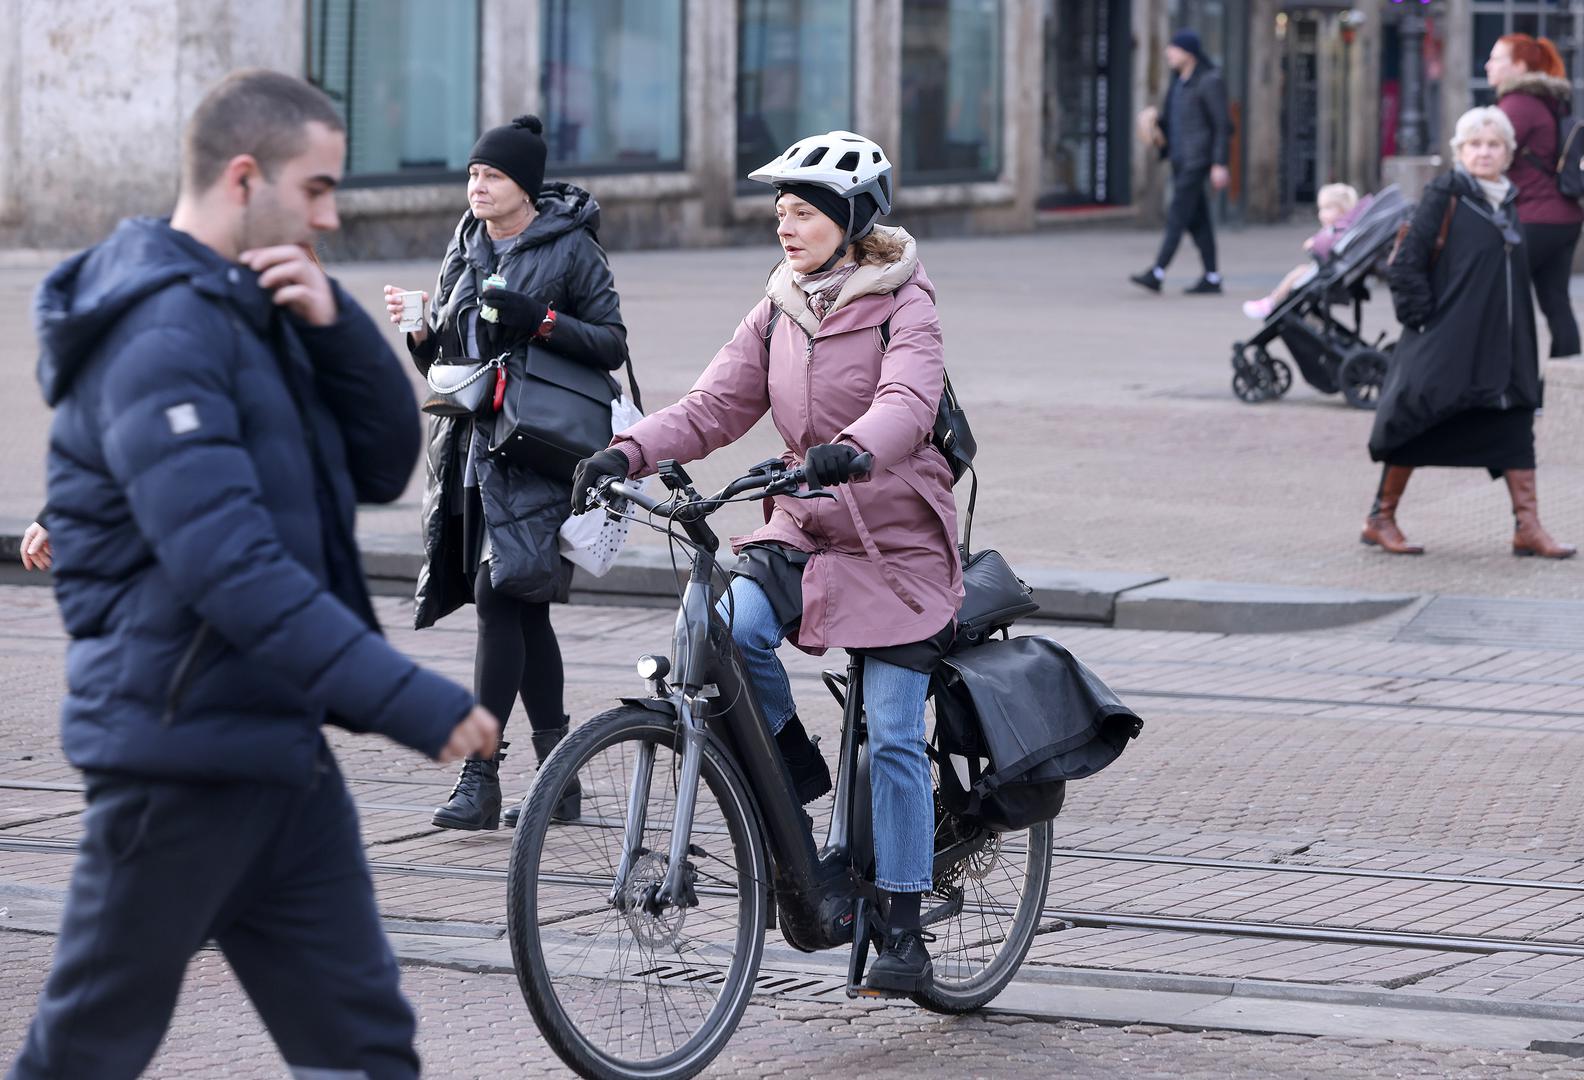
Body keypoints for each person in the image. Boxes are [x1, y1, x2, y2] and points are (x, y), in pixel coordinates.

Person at [9, 70, 500, 1080]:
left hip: (279, 758)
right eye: (315, 189)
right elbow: (230, 567)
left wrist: (337, 323)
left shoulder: (253, 308)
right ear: (244, 178)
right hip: (178, 763)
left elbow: (379, 467)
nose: (329, 216)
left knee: (366, 1051)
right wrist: (409, 700)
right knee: (84, 1054)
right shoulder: (159, 334)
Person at [571, 130, 960, 995]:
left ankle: (902, 926)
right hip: (806, 524)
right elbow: (715, 403)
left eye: (804, 213)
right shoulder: (780, 305)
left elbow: (907, 400)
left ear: (852, 220)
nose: (786, 227)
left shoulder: (905, 303)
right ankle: (789, 765)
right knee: (729, 628)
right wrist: (625, 453)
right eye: (780, 212)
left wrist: (853, 447)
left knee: (894, 729)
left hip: (895, 539)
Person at [386, 115, 630, 831]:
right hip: (473, 449)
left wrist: (540, 319)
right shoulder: (465, 242)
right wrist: (421, 334)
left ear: (524, 186)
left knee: (500, 598)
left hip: (540, 447)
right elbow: (446, 365)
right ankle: (562, 780)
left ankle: (480, 778)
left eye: (491, 175)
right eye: (472, 174)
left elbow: (611, 343)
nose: (478, 187)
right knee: (523, 606)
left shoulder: (571, 247)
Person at [1365, 106, 1574, 560]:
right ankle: (1381, 518)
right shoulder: (1446, 195)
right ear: (1460, 151)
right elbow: (1407, 264)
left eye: (1493, 145)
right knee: (1419, 420)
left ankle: (1528, 527)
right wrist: (1424, 319)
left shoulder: (1508, 202)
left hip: (1505, 346)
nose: (1484, 152)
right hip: (1450, 341)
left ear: (1508, 154)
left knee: (1514, 426)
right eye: (1475, 144)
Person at [1487, 34, 1584, 358]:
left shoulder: (1517, 104)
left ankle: (1522, 378)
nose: (1488, 65)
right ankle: (1567, 376)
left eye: (1496, 58)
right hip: (1564, 216)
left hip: (1534, 217)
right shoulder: (1546, 100)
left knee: (1507, 297)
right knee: (1556, 301)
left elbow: (1490, 158)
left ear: (1519, 66)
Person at [1130, 29, 1232, 296]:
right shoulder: (1179, 83)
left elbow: (1222, 126)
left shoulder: (1209, 81)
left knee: (1177, 215)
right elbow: (1173, 122)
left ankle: (1157, 272)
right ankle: (1212, 277)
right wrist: (1155, 122)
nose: (1168, 53)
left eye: (1173, 49)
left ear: (1189, 52)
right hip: (1179, 158)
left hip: (1197, 159)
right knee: (1199, 221)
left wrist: (1219, 163)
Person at [1241, 183, 1361, 320]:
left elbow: (1327, 245)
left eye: (1328, 209)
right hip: (1329, 271)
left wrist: (1313, 243)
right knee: (1298, 275)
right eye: (1321, 209)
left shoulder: (1339, 229)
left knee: (1297, 275)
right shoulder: (1340, 228)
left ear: (1343, 211)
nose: (1321, 214)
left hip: (1329, 274)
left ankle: (1271, 303)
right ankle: (1272, 301)